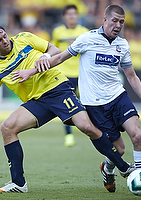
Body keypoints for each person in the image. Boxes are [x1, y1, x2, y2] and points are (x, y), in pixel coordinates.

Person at [0, 23, 135, 193]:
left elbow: (54, 51)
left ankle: (123, 167)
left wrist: (42, 60)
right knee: (7, 127)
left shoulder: (24, 38)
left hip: (57, 88)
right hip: (37, 102)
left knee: (86, 127)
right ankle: (18, 183)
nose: (5, 41)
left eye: (5, 36)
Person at [14, 5, 141, 197]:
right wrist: (31, 71)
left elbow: (131, 76)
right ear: (105, 20)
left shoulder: (123, 45)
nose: (118, 25)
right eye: (115, 20)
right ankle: (108, 169)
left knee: (137, 136)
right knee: (120, 149)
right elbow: (59, 58)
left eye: (122, 22)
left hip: (118, 96)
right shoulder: (87, 38)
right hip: (95, 104)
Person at [51, 5, 89, 147]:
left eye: (74, 14)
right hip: (64, 73)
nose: (72, 16)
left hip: (81, 73)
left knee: (85, 102)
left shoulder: (84, 32)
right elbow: (53, 50)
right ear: (65, 16)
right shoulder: (58, 32)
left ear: (77, 16)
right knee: (67, 104)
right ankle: (69, 135)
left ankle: (87, 127)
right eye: (69, 14)